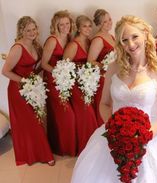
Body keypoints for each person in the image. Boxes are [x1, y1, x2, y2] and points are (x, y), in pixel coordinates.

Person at [70, 15, 157, 183]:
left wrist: (145, 135)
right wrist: (115, 130)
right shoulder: (114, 67)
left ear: (145, 35)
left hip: (150, 136)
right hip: (115, 137)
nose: (130, 44)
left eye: (134, 37)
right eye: (124, 40)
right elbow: (104, 104)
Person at [2, 16, 54, 166]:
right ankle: (45, 155)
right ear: (22, 31)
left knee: (36, 121)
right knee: (32, 122)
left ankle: (33, 151)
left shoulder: (35, 45)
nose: (32, 32)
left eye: (34, 29)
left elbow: (34, 67)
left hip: (31, 88)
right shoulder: (18, 48)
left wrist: (38, 79)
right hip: (17, 90)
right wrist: (25, 81)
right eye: (28, 30)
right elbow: (5, 71)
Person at [41, 10, 76, 156]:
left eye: (67, 23)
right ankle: (62, 147)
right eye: (61, 24)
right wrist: (58, 74)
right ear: (56, 25)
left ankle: (64, 147)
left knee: (62, 115)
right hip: (52, 81)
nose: (65, 27)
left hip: (64, 82)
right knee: (66, 114)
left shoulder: (69, 39)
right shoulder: (52, 40)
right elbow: (44, 64)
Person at [63, 15, 98, 155]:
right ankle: (87, 149)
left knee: (90, 114)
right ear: (78, 28)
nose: (88, 29)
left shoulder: (89, 42)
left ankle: (93, 147)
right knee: (86, 115)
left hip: (88, 84)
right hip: (76, 86)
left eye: (90, 26)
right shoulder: (73, 45)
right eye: (84, 26)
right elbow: (64, 68)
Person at [87, 9, 115, 127]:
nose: (109, 23)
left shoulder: (111, 36)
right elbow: (90, 61)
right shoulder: (98, 39)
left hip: (113, 77)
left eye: (109, 19)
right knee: (106, 108)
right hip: (103, 78)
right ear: (98, 24)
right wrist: (105, 66)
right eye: (105, 22)